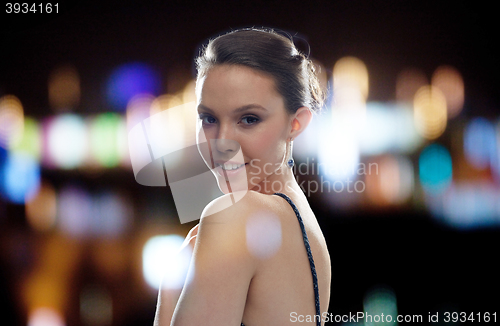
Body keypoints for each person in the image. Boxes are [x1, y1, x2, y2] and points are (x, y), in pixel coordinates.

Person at [154, 28, 331, 326]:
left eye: (249, 119)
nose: (222, 143)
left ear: (296, 123)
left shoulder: (235, 218)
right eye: (209, 119)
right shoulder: (305, 225)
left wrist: (170, 288)